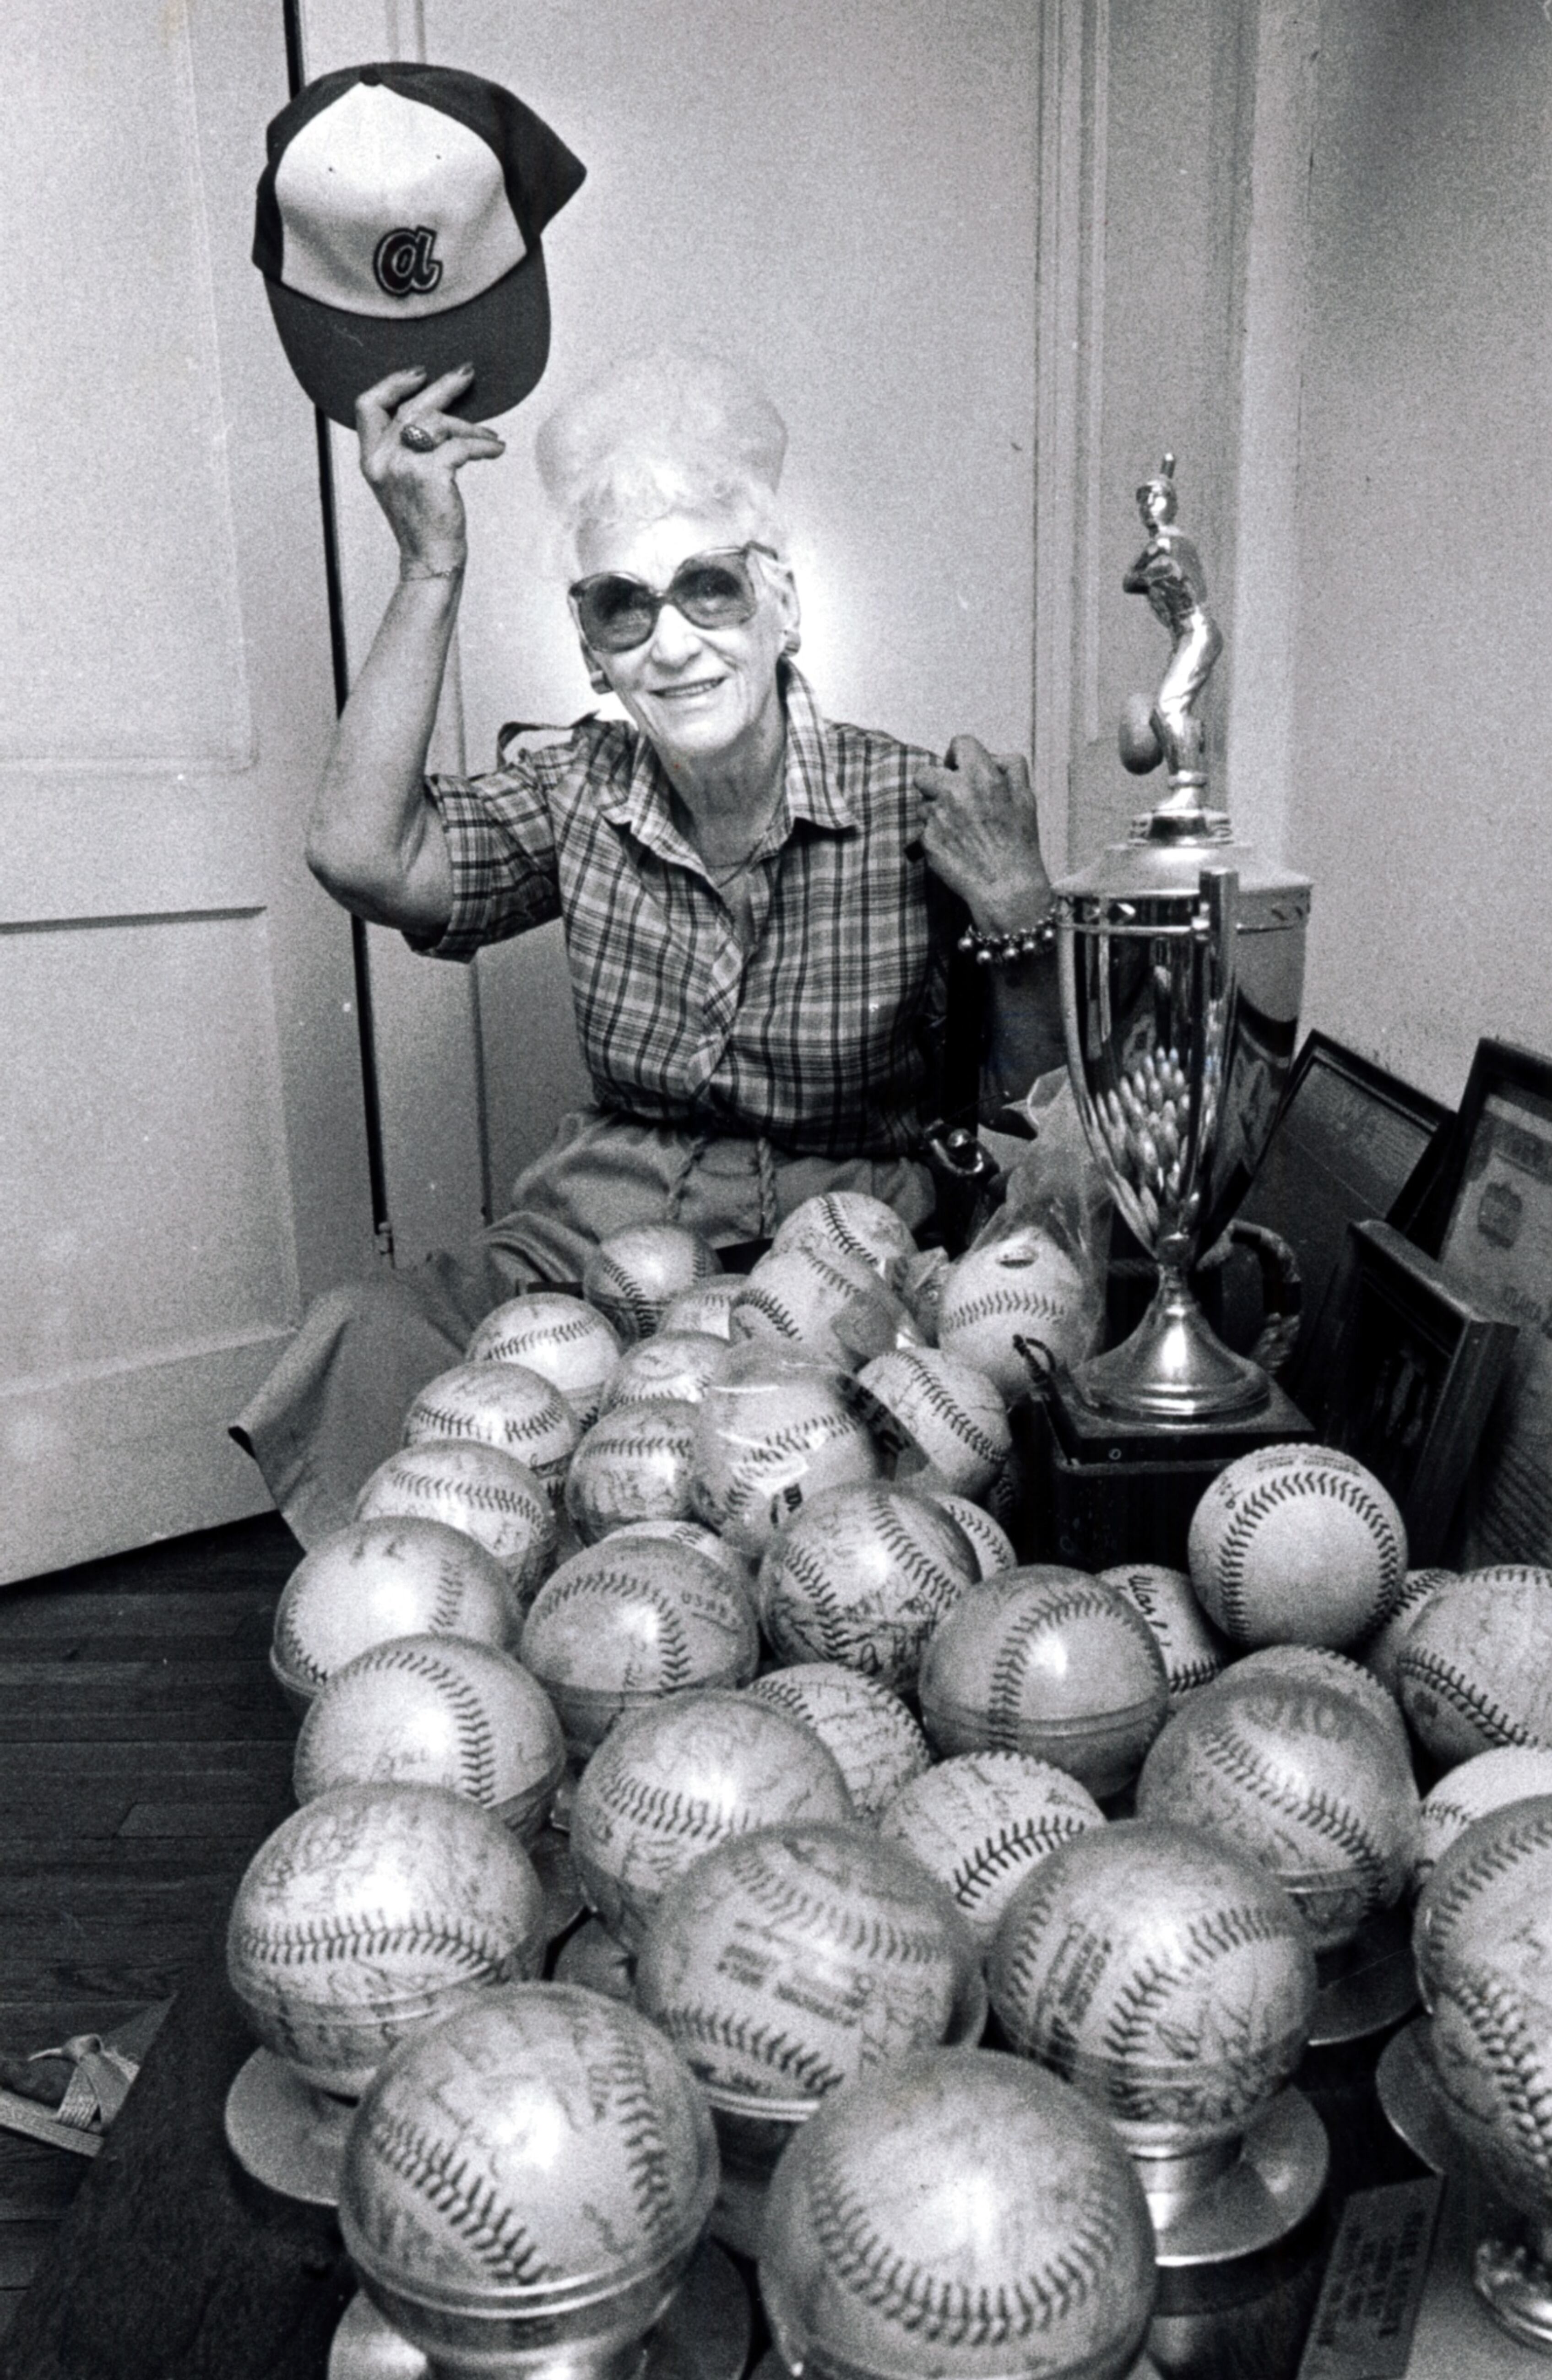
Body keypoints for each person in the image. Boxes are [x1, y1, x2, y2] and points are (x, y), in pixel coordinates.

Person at [234, 348, 1065, 1543]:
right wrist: (430, 561)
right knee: (368, 1335)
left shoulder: (909, 801)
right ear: (593, 650)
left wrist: (1018, 909)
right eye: (625, 605)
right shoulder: (577, 788)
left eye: (711, 589)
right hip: (596, 1250)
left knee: (868, 1484)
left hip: (837, 1271)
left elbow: (1028, 1113)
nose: (672, 642)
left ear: (786, 604)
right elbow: (366, 855)